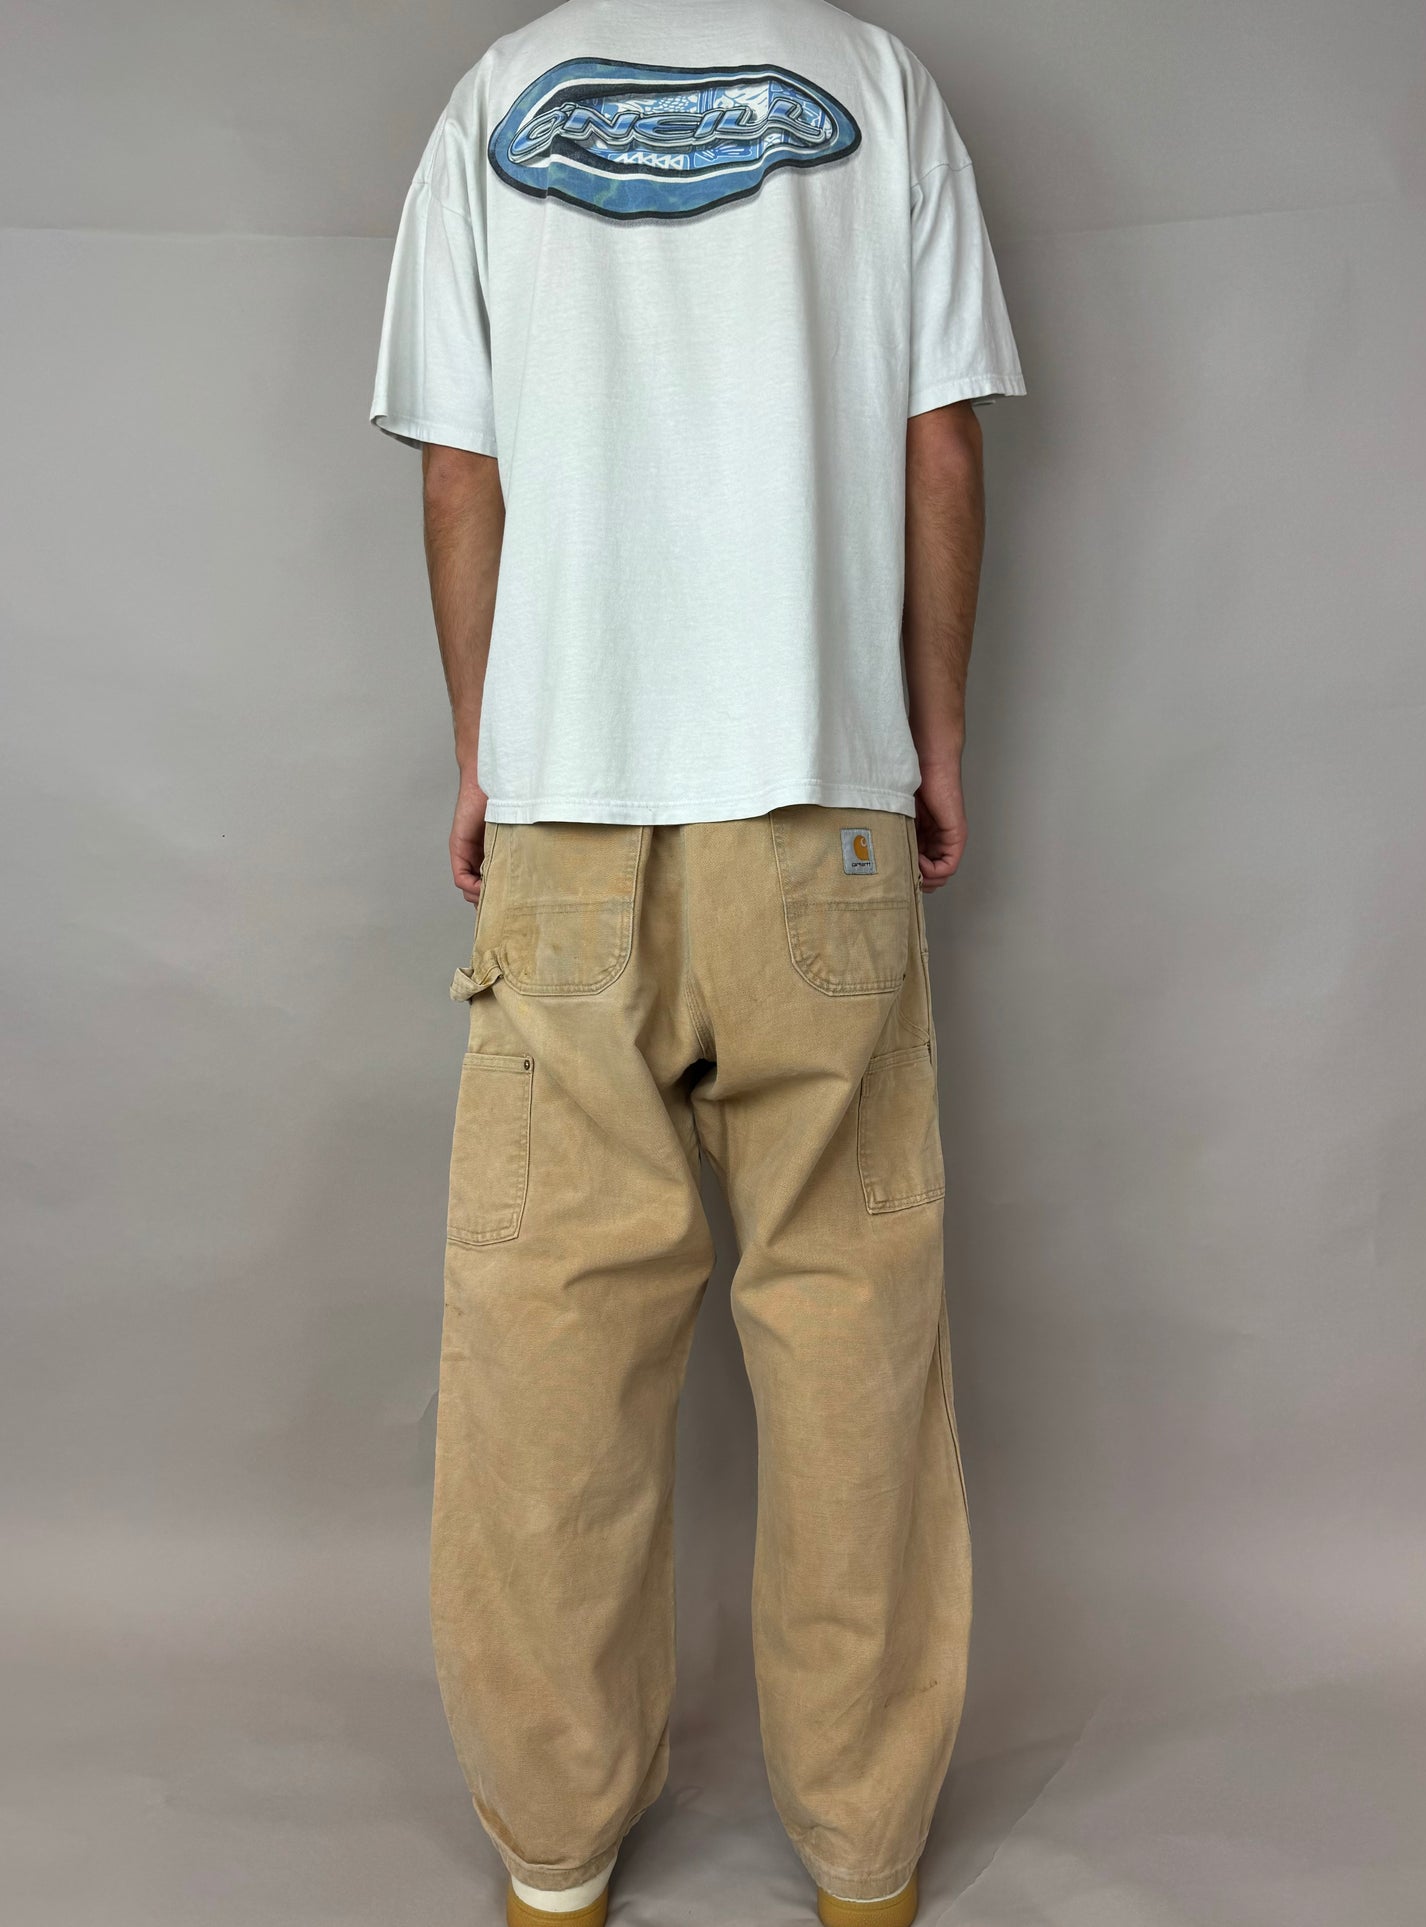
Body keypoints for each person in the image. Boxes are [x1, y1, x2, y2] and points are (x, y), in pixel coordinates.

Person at [370, 1, 1023, 1921]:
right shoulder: (878, 85)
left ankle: (554, 1859)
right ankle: (864, 1859)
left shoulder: (496, 98)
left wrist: (491, 753)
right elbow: (938, 442)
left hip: (570, 815)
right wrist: (929, 740)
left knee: (548, 1349)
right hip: (822, 805)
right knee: (851, 1337)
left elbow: (459, 475)